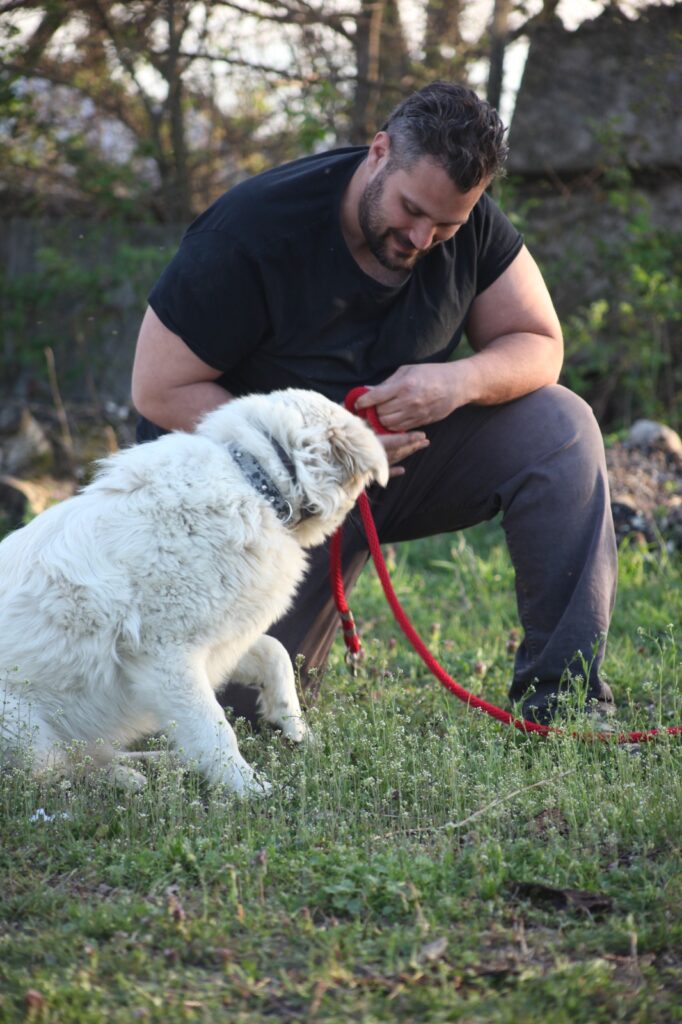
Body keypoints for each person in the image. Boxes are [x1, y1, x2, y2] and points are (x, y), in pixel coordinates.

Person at [131, 80, 617, 725]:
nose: (422, 237)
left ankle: (567, 701)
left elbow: (538, 343)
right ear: (379, 152)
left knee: (561, 424)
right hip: (259, 498)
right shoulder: (250, 231)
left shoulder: (466, 226)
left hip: (399, 468)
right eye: (412, 210)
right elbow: (159, 388)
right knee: (246, 713)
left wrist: (457, 383)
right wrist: (319, 452)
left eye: (448, 222)